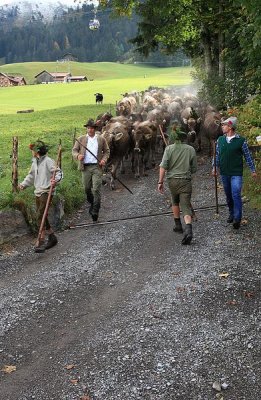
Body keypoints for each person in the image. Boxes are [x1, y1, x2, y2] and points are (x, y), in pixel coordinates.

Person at [212, 116, 257, 229]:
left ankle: (237, 218)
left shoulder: (241, 141)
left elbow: (248, 156)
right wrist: (214, 167)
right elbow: (217, 155)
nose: (222, 127)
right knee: (228, 195)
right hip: (224, 172)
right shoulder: (220, 140)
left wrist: (253, 170)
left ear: (230, 127)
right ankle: (231, 213)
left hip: (236, 172)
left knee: (236, 193)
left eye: (224, 125)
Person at [18, 140, 63, 253]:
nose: (31, 152)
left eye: (32, 150)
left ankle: (41, 239)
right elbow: (31, 175)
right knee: (42, 214)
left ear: (37, 152)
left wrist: (55, 180)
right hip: (38, 191)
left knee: (40, 214)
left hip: (47, 191)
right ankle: (52, 236)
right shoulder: (35, 162)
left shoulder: (48, 161)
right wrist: (24, 184)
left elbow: (58, 173)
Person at [158, 130, 197, 245]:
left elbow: (163, 166)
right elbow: (194, 168)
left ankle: (178, 225)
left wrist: (160, 182)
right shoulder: (191, 149)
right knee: (185, 205)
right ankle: (188, 229)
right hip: (185, 181)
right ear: (184, 138)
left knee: (175, 201)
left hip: (172, 181)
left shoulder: (169, 149)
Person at [72, 118, 110, 222]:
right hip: (85, 168)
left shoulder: (101, 139)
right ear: (86, 129)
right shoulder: (81, 139)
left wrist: (103, 160)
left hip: (97, 167)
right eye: (88, 128)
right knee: (87, 188)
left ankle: (95, 210)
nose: (90, 130)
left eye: (92, 128)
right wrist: (78, 156)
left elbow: (107, 151)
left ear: (95, 129)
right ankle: (93, 202)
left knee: (96, 189)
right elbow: (74, 150)